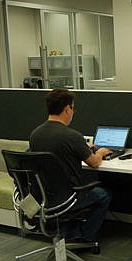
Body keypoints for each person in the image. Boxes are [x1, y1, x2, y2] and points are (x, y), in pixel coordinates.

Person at [29, 88, 112, 242]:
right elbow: (94, 163)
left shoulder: (35, 134)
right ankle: (83, 235)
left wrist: (81, 150)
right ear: (67, 109)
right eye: (73, 108)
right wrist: (100, 152)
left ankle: (67, 232)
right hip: (69, 198)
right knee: (104, 194)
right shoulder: (72, 136)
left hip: (43, 196)